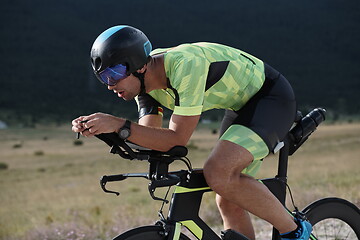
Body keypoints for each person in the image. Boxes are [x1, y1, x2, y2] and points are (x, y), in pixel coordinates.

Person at [72, 25, 312, 240]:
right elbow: (150, 137)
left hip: (269, 98)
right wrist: (105, 130)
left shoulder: (185, 66)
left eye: (113, 75)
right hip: (240, 106)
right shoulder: (145, 85)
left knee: (218, 173)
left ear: (140, 66)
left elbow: (177, 139)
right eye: (103, 78)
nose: (110, 85)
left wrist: (118, 124)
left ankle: (295, 231)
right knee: (227, 198)